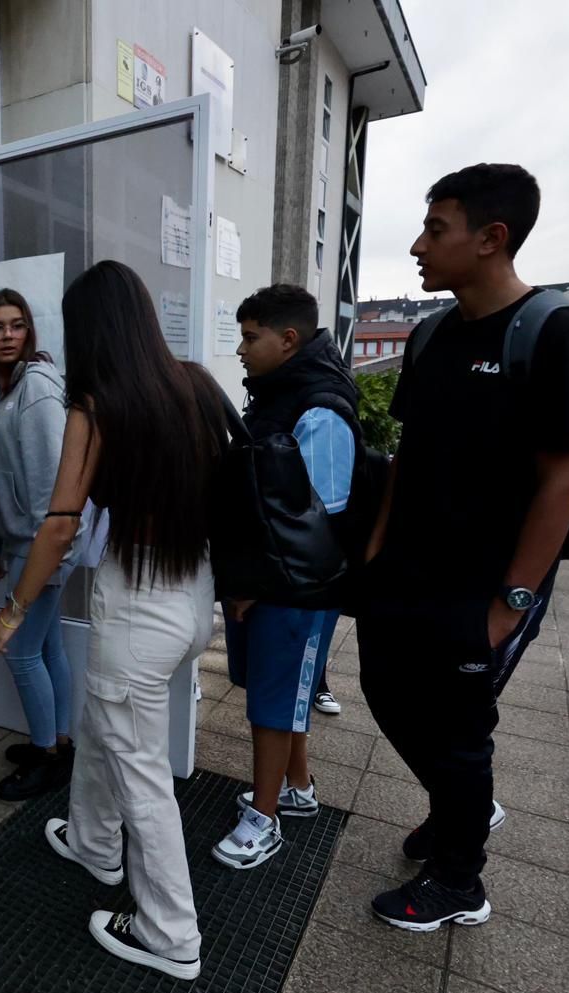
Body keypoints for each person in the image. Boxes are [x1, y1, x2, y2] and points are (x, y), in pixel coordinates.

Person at [360, 164, 569, 931]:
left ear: (491, 238)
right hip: (405, 566)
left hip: (484, 584)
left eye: (436, 230)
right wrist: (376, 547)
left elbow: (563, 480)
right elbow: (409, 449)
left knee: (460, 729)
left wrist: (513, 602)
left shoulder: (555, 335)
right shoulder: (431, 333)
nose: (418, 245)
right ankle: (459, 809)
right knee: (384, 690)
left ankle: (457, 880)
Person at [0, 261, 227, 981]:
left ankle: (171, 933)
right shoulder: (194, 384)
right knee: (101, 718)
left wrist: (14, 610)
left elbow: (59, 526)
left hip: (140, 602)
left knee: (140, 772)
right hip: (190, 594)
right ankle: (93, 842)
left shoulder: (98, 403)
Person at [214, 284, 361, 870]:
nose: (242, 350)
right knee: (276, 695)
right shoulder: (279, 394)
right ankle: (296, 789)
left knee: (274, 705)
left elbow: (319, 521)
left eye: (251, 338)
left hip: (298, 591)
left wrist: (256, 584)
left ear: (289, 339)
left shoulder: (319, 408)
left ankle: (264, 821)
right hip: (268, 584)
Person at [0, 288, 83, 801]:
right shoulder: (4, 389)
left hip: (39, 547)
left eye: (16, 325)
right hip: (18, 543)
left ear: (29, 331)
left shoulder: (35, 387)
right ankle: (57, 741)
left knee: (20, 652)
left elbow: (48, 487)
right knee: (48, 646)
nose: (7, 335)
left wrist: (44, 558)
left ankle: (46, 757)